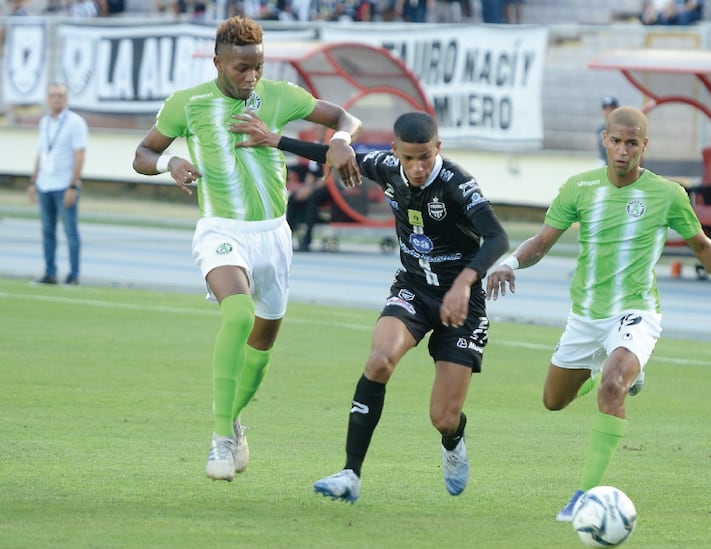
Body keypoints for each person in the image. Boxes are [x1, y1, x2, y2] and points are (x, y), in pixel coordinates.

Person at [486, 106, 711, 522]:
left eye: (631, 143)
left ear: (644, 146)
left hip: (637, 311)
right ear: (605, 140)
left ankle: (585, 495)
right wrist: (509, 262)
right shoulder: (579, 188)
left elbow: (702, 246)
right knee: (553, 401)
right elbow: (542, 242)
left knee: (612, 387)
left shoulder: (667, 194)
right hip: (586, 316)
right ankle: (611, 373)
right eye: (616, 141)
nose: (622, 151)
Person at [231, 110, 510, 501]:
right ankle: (351, 473)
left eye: (425, 157)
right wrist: (275, 140)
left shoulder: (457, 183)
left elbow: (498, 238)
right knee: (379, 361)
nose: (417, 167)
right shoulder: (386, 167)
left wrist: (464, 283)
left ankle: (453, 440)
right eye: (408, 158)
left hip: (462, 304)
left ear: (438, 148)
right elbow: (334, 155)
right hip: (414, 289)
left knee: (443, 417)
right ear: (394, 151)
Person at [131, 15, 363, 482]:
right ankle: (220, 438)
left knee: (263, 342)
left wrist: (341, 140)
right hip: (221, 229)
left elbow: (345, 117)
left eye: (258, 66)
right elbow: (142, 155)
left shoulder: (278, 96)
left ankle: (234, 422)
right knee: (237, 315)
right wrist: (170, 163)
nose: (252, 76)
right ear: (218, 63)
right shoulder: (187, 104)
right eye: (242, 68)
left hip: (273, 234)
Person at [27, 82, 88, 286]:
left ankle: (73, 275)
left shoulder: (75, 123)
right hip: (45, 184)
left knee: (70, 231)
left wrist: (73, 185)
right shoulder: (44, 121)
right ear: (47, 98)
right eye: (53, 95)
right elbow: (41, 153)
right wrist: (33, 181)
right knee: (47, 231)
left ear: (66, 98)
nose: (56, 99)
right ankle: (50, 273)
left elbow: (79, 155)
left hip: (64, 185)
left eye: (60, 95)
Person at [286, 159, 332, 252]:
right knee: (293, 198)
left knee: (312, 199)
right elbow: (311, 174)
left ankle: (306, 240)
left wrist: (311, 189)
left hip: (331, 188)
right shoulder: (315, 156)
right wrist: (305, 189)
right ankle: (287, 239)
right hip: (314, 185)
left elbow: (330, 178)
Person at [597, 96, 619, 166]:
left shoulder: (624, 128)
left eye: (612, 109)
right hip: (604, 162)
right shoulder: (601, 129)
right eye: (606, 109)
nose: (609, 112)